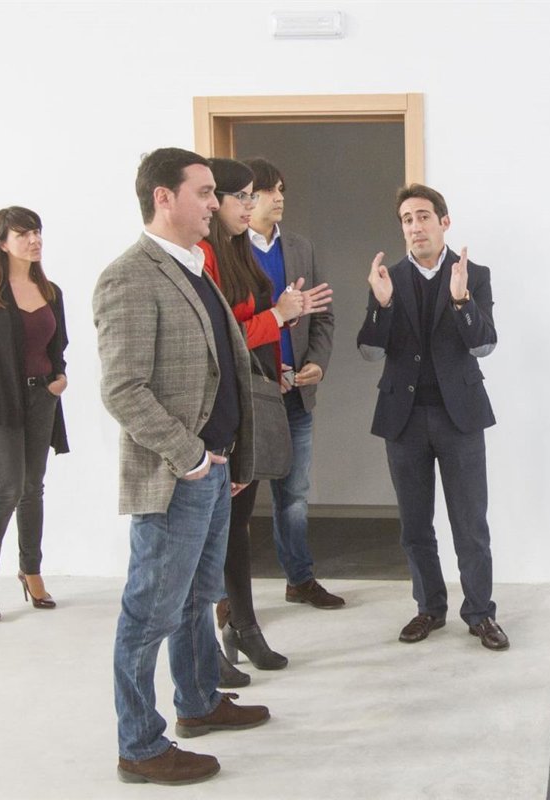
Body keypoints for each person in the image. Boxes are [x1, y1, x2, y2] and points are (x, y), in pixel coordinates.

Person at [94, 147, 269, 786]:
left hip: (214, 469)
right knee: (149, 614)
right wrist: (191, 454)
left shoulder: (193, 267)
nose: (215, 204)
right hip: (176, 475)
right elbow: (123, 389)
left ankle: (197, 702)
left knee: (198, 597)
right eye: (204, 192)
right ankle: (139, 746)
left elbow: (222, 368)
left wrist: (230, 455)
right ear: (163, 197)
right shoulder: (130, 276)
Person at [356, 183, 508, 651]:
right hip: (403, 420)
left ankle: (480, 613)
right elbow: (369, 351)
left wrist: (462, 302)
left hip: (459, 417)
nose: (415, 226)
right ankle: (429, 607)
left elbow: (484, 344)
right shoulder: (388, 278)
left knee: (470, 524)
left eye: (423, 216)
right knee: (415, 525)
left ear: (444, 222)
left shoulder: (474, 274)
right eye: (407, 219)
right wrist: (382, 306)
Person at [198, 158, 332, 686]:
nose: (253, 204)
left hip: (253, 402)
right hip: (220, 412)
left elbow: (251, 332)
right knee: (214, 532)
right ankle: (220, 635)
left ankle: (244, 626)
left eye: (258, 194)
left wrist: (282, 346)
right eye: (245, 196)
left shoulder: (237, 253)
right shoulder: (205, 254)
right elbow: (226, 337)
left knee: (236, 525)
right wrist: (278, 315)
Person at [0, 206, 68, 620]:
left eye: (37, 232)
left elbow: (58, 347)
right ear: (2, 243)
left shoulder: (51, 291)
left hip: (42, 398)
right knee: (8, 488)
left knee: (33, 487)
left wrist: (60, 378)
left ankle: (31, 570)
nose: (34, 240)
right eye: (23, 234)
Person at [242, 157, 341, 609]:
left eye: (281, 189)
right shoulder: (225, 250)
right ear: (246, 197)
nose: (278, 197)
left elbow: (323, 317)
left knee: (295, 496)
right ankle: (229, 594)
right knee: (236, 501)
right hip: (248, 396)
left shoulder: (301, 247)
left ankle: (299, 579)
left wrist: (317, 363)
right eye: (268, 189)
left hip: (296, 395)